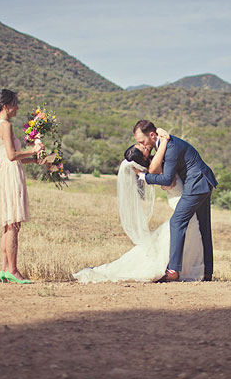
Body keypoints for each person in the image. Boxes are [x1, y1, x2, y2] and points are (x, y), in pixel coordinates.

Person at [73, 130, 205, 283]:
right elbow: (171, 182)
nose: (145, 146)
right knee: (184, 231)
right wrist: (166, 139)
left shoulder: (155, 162)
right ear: (143, 156)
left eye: (143, 143)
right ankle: (177, 270)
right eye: (143, 147)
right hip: (180, 200)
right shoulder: (155, 166)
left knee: (185, 234)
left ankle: (181, 270)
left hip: (182, 200)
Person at [134, 120, 218, 282]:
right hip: (203, 182)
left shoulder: (170, 147)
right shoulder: (163, 144)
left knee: (177, 222)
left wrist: (142, 176)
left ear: (152, 135)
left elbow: (167, 179)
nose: (143, 145)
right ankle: (207, 272)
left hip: (196, 184)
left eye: (142, 141)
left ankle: (173, 270)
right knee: (203, 227)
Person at [0, 89, 44, 284]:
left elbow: (10, 157)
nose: (17, 107)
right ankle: (12, 269)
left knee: (9, 224)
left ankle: (5, 268)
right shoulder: (5, 126)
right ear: (6, 106)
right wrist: (34, 148)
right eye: (15, 103)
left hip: (8, 171)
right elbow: (13, 156)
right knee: (13, 223)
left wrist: (36, 160)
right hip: (10, 174)